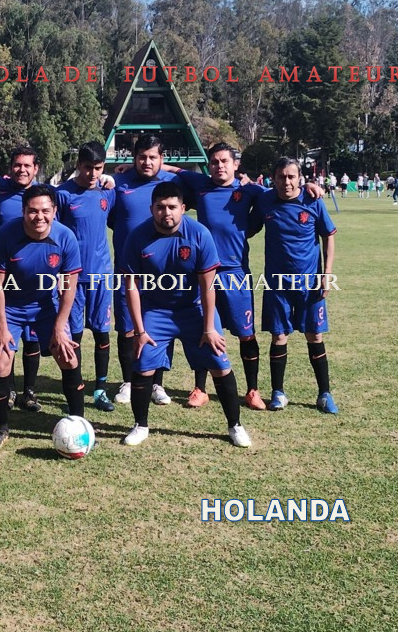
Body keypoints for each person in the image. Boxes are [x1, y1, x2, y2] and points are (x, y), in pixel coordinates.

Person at [119, 182, 251, 448]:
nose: (166, 213)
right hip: (156, 310)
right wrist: (140, 331)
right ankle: (140, 425)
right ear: (151, 209)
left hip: (195, 308)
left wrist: (209, 327)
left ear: (183, 208)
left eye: (172, 207)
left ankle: (235, 425)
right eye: (160, 207)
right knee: (143, 364)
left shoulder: (199, 234)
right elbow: (131, 286)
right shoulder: (137, 236)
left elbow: (207, 285)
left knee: (220, 363)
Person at [0, 184, 83, 452]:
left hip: (45, 307)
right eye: (33, 211)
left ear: (54, 211)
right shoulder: (6, 235)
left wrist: (60, 328)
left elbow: (69, 287)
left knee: (68, 357)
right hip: (12, 308)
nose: (39, 217)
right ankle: (1, 428)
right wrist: (1, 326)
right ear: (23, 211)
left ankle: (79, 422)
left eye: (45, 211)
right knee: (1, 362)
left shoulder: (66, 237)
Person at [175, 145, 267, 410]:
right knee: (204, 331)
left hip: (236, 273)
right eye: (214, 162)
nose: (219, 166)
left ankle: (252, 390)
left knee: (246, 334)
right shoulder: (200, 184)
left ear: (235, 164)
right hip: (204, 273)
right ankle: (200, 389)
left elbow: (282, 194)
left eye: (224, 161)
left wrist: (310, 186)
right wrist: (126, 169)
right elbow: (172, 169)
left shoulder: (250, 191)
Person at [248, 158, 338, 415]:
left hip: (310, 283)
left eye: (291, 176)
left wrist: (327, 274)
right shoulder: (265, 201)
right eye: (281, 176)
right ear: (273, 178)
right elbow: (247, 230)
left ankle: (324, 394)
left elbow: (328, 236)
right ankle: (278, 392)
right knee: (279, 336)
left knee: (315, 335)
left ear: (300, 178)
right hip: (277, 284)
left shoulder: (312, 200)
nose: (286, 182)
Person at [109, 134, 180, 407]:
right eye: (141, 157)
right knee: (127, 326)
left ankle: (157, 383)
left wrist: (169, 168)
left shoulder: (173, 183)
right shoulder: (118, 183)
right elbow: (112, 219)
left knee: (160, 325)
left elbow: (205, 180)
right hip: (128, 269)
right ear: (133, 158)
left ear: (162, 159)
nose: (147, 162)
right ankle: (128, 381)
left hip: (163, 271)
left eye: (153, 157)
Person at [0, 147, 46, 410]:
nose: (22, 170)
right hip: (4, 273)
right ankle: (7, 389)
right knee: (4, 332)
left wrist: (107, 179)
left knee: (32, 337)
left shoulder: (44, 195)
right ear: (10, 168)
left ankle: (29, 391)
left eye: (27, 165)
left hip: (36, 273)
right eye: (17, 165)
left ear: (36, 168)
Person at [55, 142, 118, 413]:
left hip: (101, 275)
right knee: (75, 336)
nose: (93, 173)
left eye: (98, 168)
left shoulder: (108, 192)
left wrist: (114, 176)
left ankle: (100, 389)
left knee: (102, 332)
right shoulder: (62, 195)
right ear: (78, 165)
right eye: (88, 167)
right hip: (72, 278)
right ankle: (76, 389)